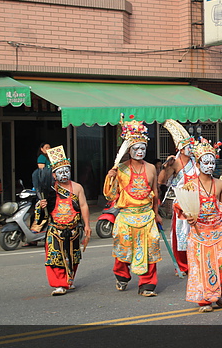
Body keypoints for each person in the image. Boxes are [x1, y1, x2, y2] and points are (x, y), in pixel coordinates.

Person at [104, 115, 162, 297]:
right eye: (136, 148)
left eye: (143, 148)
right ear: (129, 150)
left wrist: (157, 213)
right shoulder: (121, 168)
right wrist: (111, 178)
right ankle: (121, 276)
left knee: (151, 248)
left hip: (147, 215)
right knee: (124, 248)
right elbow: (110, 195)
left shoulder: (152, 168)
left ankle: (147, 285)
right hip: (127, 216)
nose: (139, 151)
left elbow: (155, 193)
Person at [183, 138, 222, 312]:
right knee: (202, 267)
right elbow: (182, 208)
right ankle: (205, 300)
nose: (210, 165)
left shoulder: (220, 185)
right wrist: (188, 217)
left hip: (218, 232)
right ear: (198, 164)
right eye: (206, 162)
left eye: (212, 162)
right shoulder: (190, 186)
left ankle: (218, 294)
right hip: (199, 233)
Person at [38, 145, 91, 296]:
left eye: (66, 170)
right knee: (55, 259)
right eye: (60, 172)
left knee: (73, 257)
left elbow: (83, 206)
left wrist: (87, 225)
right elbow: (43, 212)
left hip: (73, 229)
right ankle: (59, 284)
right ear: (54, 175)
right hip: (55, 230)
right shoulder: (50, 190)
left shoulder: (77, 187)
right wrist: (41, 206)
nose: (64, 174)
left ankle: (69, 279)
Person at [159, 119, 198, 275]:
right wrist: (165, 167)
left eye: (191, 146)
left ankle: (195, 262)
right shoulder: (175, 162)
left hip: (196, 202)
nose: (190, 149)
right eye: (187, 146)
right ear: (181, 149)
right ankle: (182, 265)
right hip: (181, 203)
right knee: (180, 234)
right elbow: (161, 180)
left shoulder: (196, 162)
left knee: (196, 234)